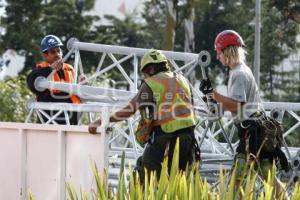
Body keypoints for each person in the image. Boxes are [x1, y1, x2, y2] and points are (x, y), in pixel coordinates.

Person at [199, 30, 288, 198]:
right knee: (269, 177)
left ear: (227, 51)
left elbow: (237, 106)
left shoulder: (239, 74)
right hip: (257, 132)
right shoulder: (239, 70)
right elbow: (235, 105)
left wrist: (214, 94)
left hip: (252, 134)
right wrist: (212, 98)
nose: (218, 57)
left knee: (237, 179)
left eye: (218, 53)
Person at [89, 49, 199, 182]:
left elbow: (128, 111)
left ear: (151, 69)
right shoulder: (183, 80)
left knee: (145, 179)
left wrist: (101, 121)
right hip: (189, 138)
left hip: (166, 138)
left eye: (145, 74)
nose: (146, 77)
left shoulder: (152, 82)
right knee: (180, 182)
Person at [27, 35, 80, 125]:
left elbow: (79, 92)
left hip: (71, 121)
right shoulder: (40, 71)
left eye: (58, 51)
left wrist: (83, 83)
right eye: (53, 52)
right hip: (49, 122)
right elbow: (31, 81)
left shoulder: (70, 69)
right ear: (45, 55)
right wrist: (50, 69)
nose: (57, 54)